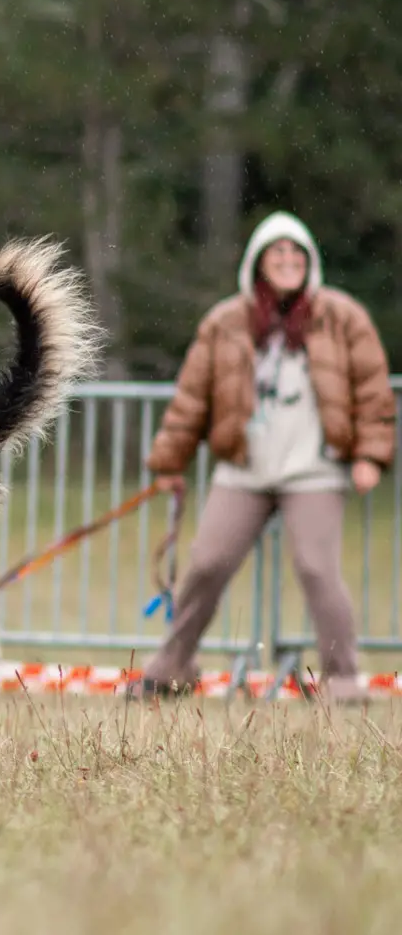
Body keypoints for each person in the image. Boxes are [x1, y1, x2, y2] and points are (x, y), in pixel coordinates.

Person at [130, 211, 394, 700]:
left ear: (310, 261)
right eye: (278, 253)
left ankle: (342, 678)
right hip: (245, 468)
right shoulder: (226, 321)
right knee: (207, 562)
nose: (288, 261)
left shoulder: (341, 316)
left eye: (297, 253)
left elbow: (374, 391)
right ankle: (171, 667)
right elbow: (191, 399)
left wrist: (370, 456)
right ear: (257, 262)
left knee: (317, 568)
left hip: (313, 468)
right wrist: (168, 462)